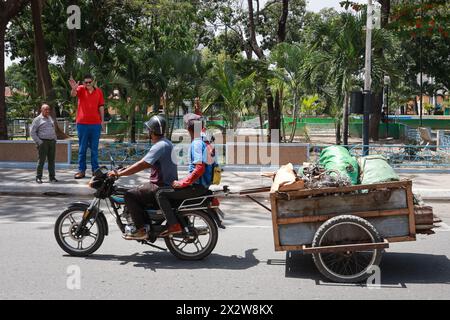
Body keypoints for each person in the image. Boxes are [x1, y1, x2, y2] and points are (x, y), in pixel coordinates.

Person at [107, 115, 178, 240]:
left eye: (149, 130)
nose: (148, 132)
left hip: (160, 187)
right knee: (138, 191)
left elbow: (142, 164)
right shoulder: (166, 143)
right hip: (166, 185)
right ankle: (145, 223)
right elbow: (144, 161)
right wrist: (124, 169)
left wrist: (119, 174)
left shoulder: (159, 146)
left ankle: (141, 229)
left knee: (129, 194)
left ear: (152, 131)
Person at [156, 113, 213, 236]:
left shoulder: (196, 144)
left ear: (188, 129)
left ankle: (174, 225)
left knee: (161, 193)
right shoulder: (203, 140)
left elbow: (199, 169)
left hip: (196, 187)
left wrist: (182, 183)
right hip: (202, 185)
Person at [69, 74, 105, 179]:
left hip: (95, 124)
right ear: (83, 83)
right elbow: (73, 94)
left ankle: (95, 170)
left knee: (94, 148)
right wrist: (73, 88)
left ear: (93, 81)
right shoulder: (80, 89)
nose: (88, 84)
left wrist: (102, 121)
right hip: (82, 124)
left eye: (89, 82)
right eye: (86, 82)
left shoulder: (99, 91)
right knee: (82, 148)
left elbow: (101, 107)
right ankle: (81, 170)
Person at [30, 104, 58, 184]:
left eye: (48, 109)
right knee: (41, 161)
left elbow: (53, 128)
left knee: (51, 161)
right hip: (43, 142)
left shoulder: (50, 117)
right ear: (41, 110)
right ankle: (38, 177)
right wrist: (39, 142)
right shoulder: (37, 119)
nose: (48, 111)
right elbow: (32, 132)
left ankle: (52, 177)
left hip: (52, 142)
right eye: (46, 109)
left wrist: (55, 139)